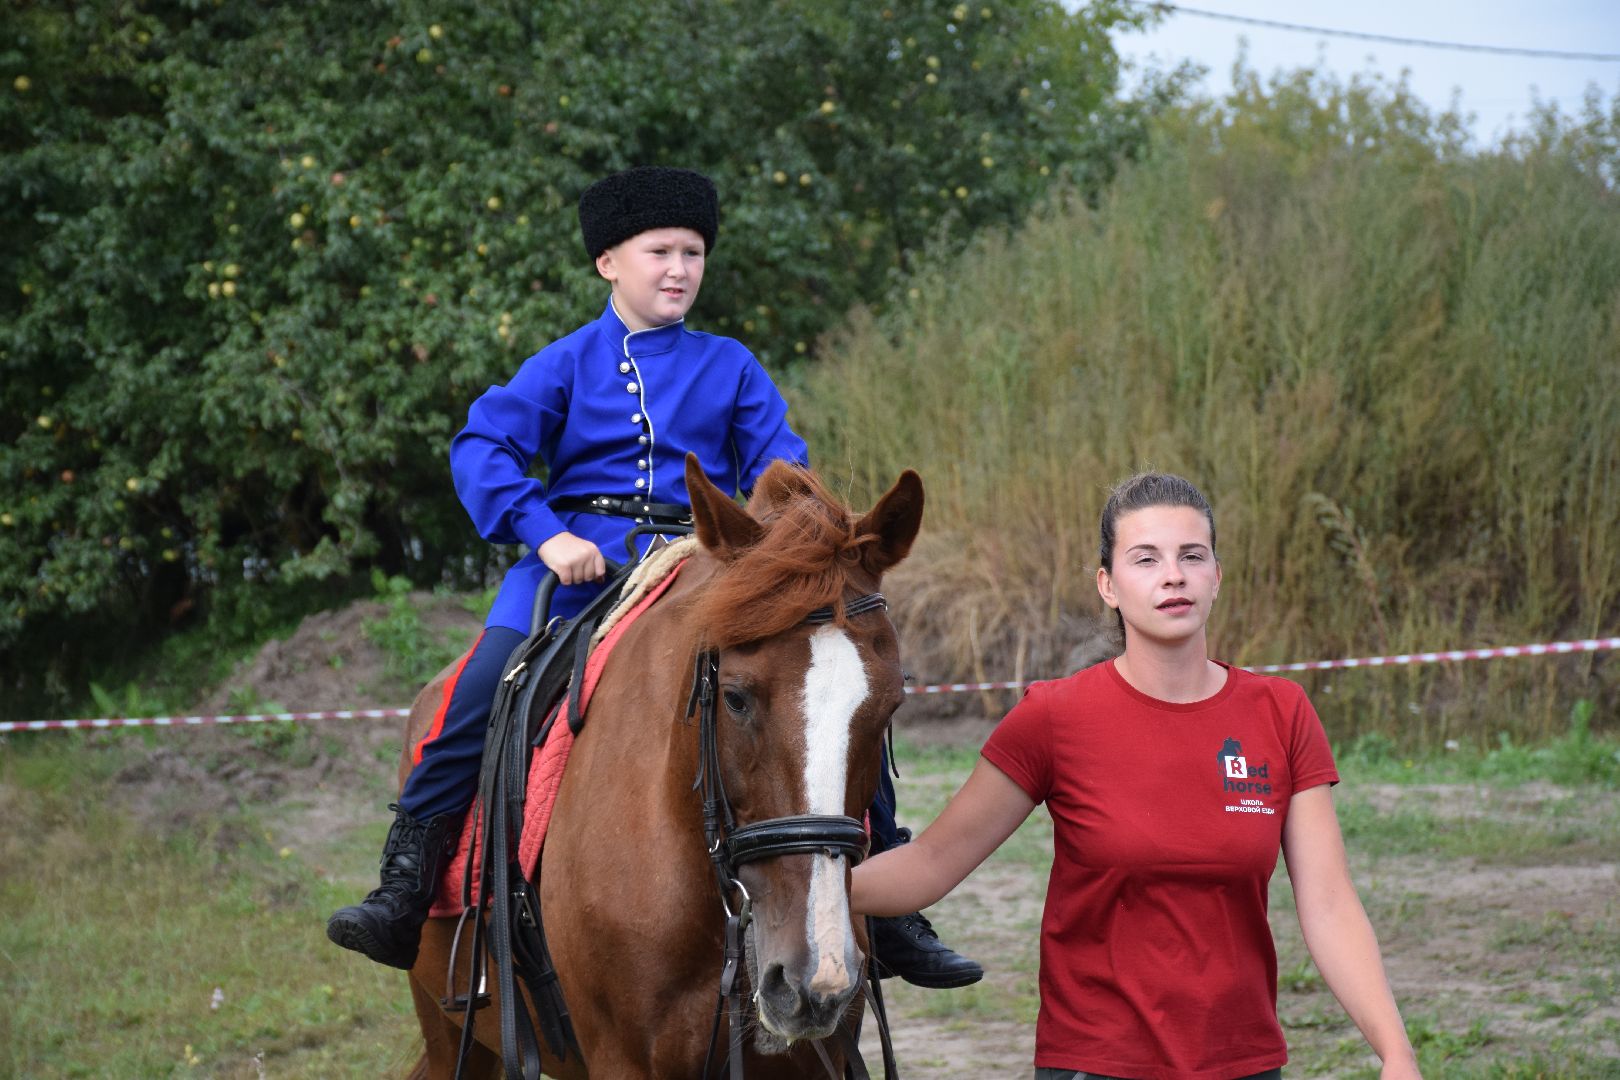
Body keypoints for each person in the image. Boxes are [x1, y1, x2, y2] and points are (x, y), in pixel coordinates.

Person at [326, 166, 981, 990]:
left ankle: (890, 906)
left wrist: (783, 549)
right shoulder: (564, 364)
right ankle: (405, 885)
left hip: (706, 571)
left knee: (827, 694)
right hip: (572, 572)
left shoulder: (732, 367)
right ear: (608, 262)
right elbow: (481, 447)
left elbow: (787, 476)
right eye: (659, 251)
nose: (679, 269)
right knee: (484, 683)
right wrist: (546, 532)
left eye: (694, 252)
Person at [851, 472, 1422, 1079]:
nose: (1173, 575)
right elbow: (935, 860)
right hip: (1095, 1064)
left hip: (1244, 1063)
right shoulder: (1053, 716)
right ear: (1109, 586)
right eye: (1145, 558)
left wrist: (1396, 1052)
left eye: (1191, 556)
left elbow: (1329, 904)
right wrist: (800, 885)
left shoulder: (1281, 712)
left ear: (1216, 577)